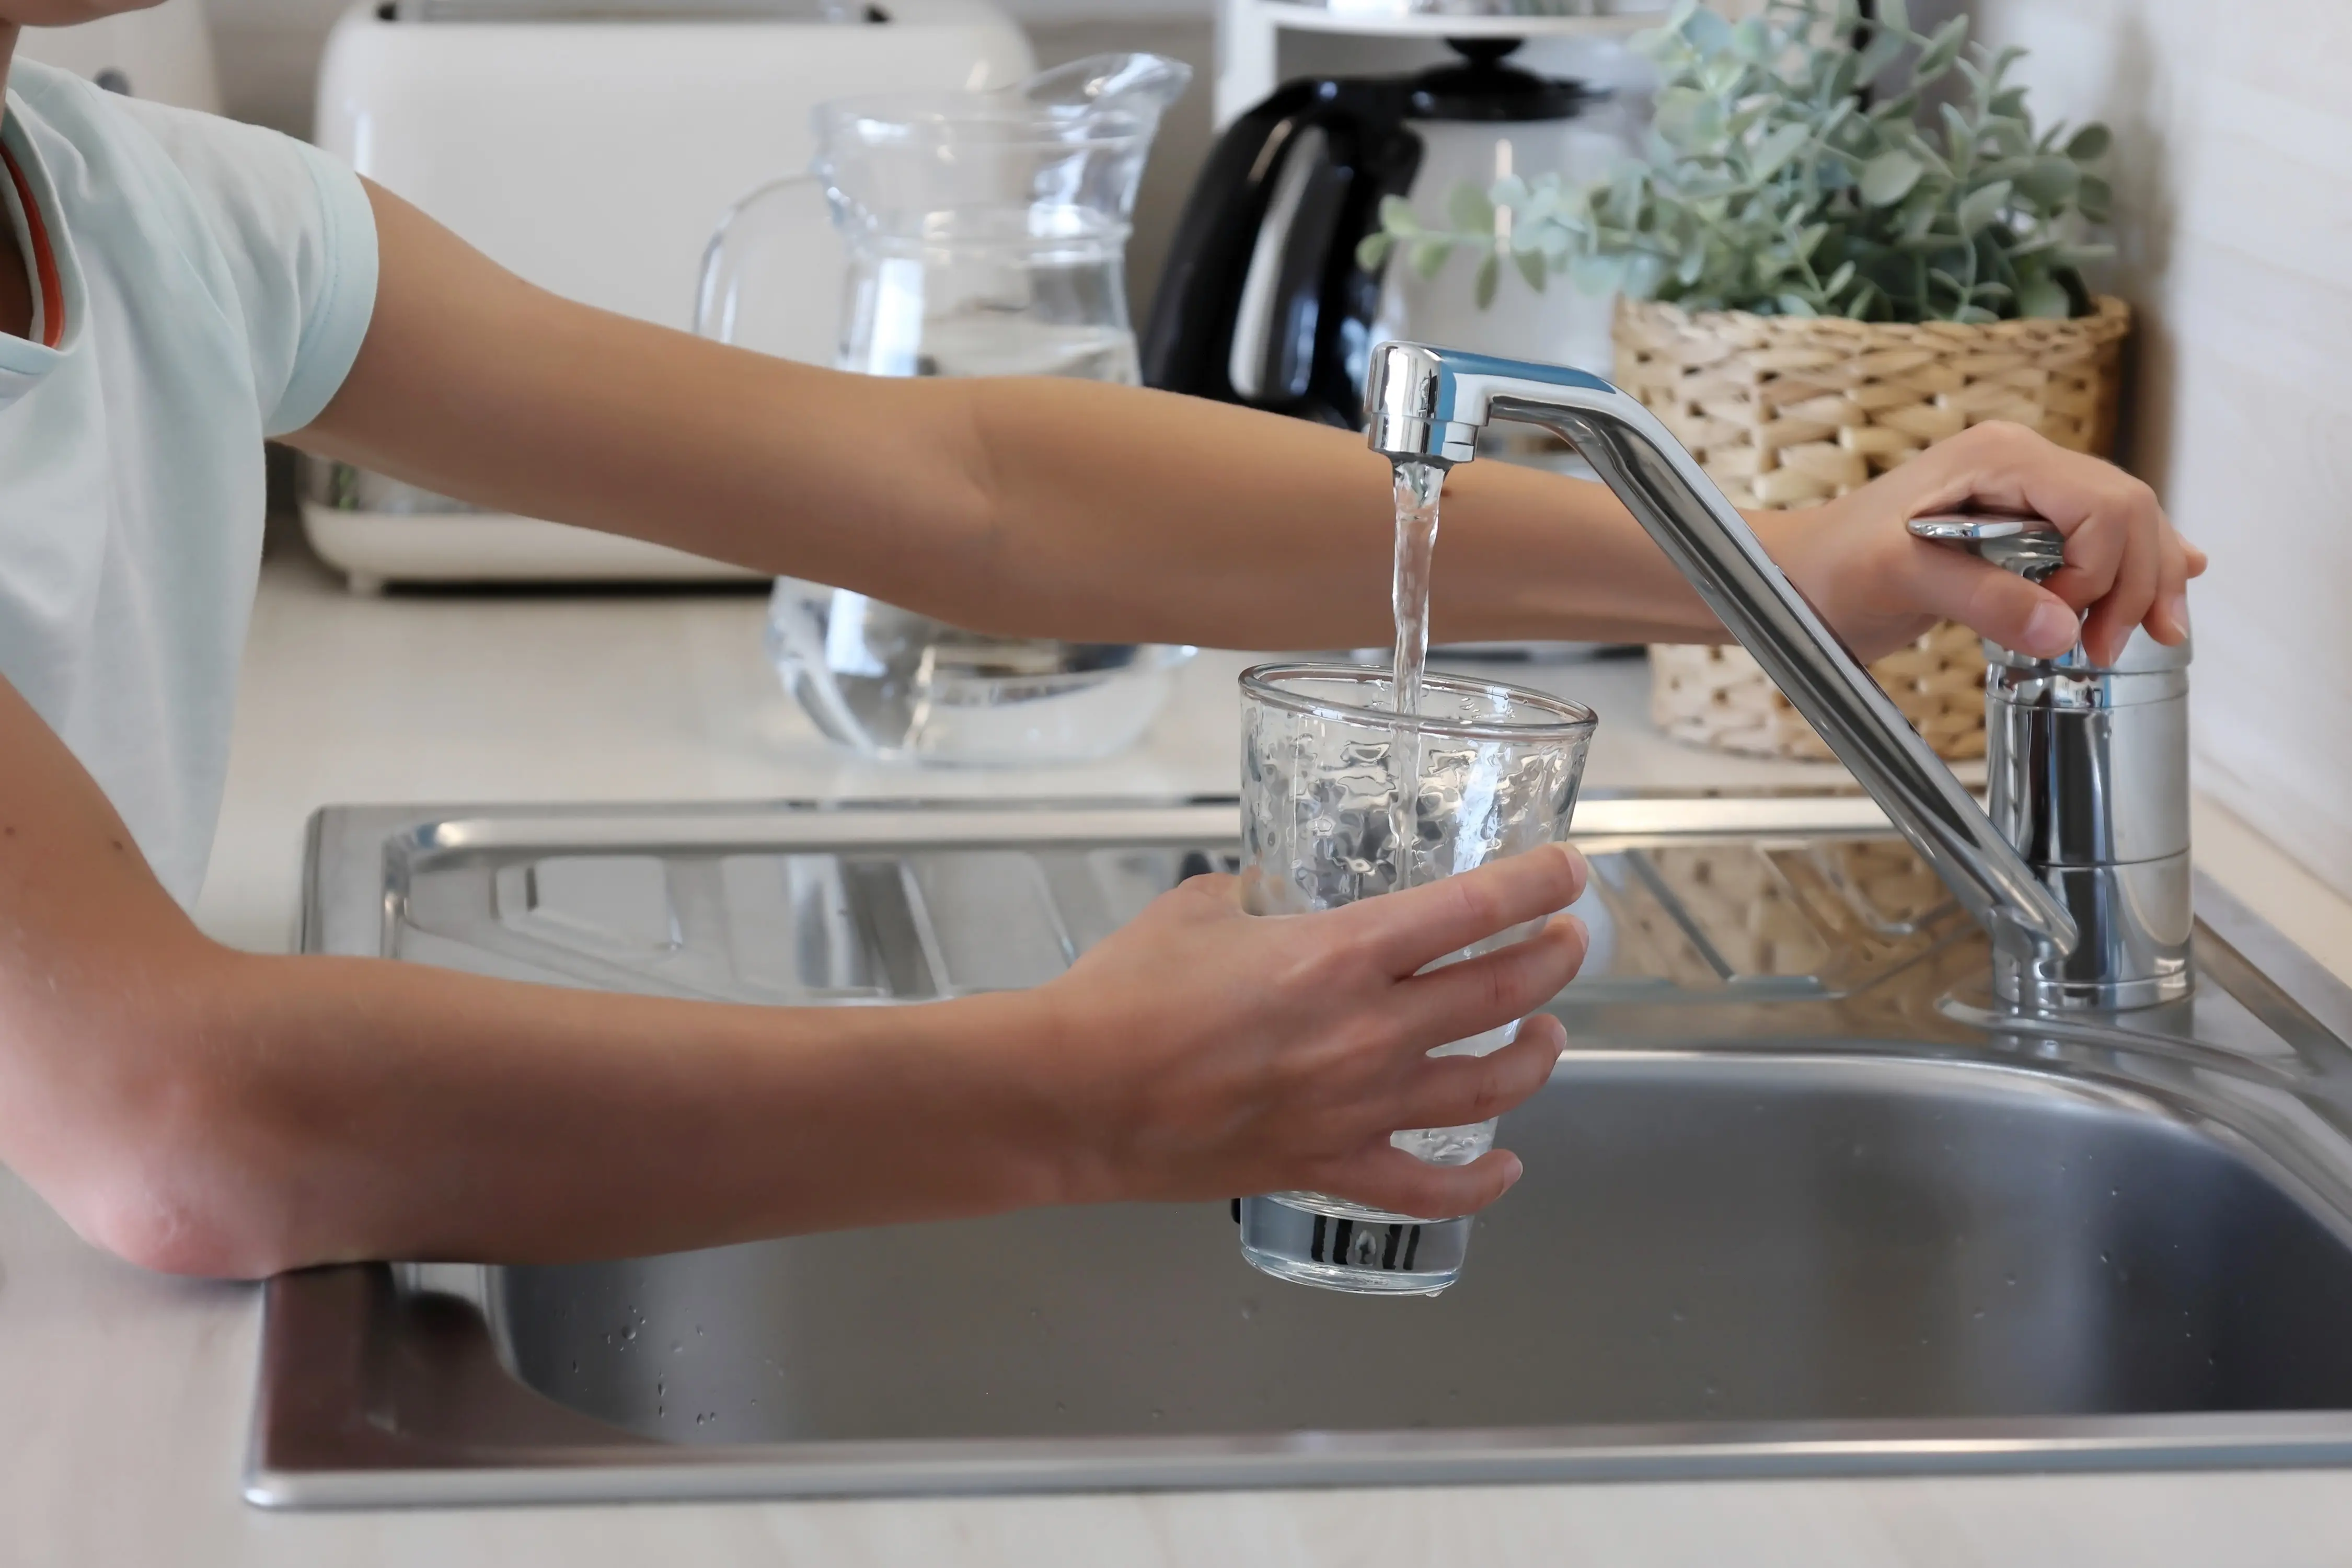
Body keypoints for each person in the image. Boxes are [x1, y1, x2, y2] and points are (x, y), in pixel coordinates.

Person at [0, 16, 2201, 1281]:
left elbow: (978, 488)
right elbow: (179, 1112)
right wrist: (1065, 1098)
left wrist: (1773, 563)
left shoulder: (152, 215)